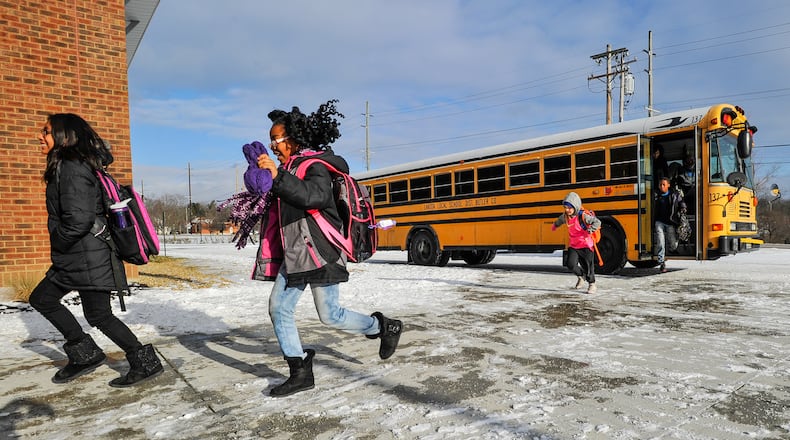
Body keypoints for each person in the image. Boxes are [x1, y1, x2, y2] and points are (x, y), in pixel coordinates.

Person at [251, 100, 403, 397]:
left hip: (321, 251)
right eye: (270, 139)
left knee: (330, 315)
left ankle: (383, 327)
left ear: (293, 139)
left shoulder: (314, 166)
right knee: (279, 308)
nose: (272, 146)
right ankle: (300, 370)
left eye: (276, 139)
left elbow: (315, 197)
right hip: (295, 255)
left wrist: (277, 177)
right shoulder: (287, 168)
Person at [29, 113, 163, 387]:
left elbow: (79, 220)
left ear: (64, 136)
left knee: (96, 314)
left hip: (87, 254)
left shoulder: (71, 167)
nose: (39, 137)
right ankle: (86, 354)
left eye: (46, 131)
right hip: (80, 254)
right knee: (45, 299)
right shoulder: (70, 165)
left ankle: (141, 362)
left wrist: (59, 241)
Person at [551, 192, 601, 294]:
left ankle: (592, 284)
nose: (567, 210)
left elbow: (597, 222)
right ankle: (581, 276)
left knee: (588, 266)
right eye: (565, 207)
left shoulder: (583, 215)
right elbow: (560, 220)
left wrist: (590, 230)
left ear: (575, 206)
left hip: (586, 245)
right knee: (570, 264)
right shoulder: (565, 216)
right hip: (574, 245)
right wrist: (555, 225)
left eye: (569, 208)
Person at [653, 176, 687, 273]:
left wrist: (683, 208)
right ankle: (661, 262)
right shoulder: (656, 195)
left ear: (668, 185)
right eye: (660, 185)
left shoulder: (675, 195)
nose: (661, 186)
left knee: (673, 244)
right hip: (659, 222)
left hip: (670, 222)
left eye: (664, 184)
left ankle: (674, 246)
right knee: (660, 241)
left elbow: (681, 202)